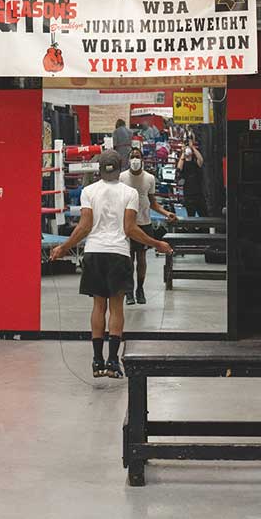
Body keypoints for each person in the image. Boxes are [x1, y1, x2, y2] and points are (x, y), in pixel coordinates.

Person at [50, 150, 172, 379]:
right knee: (116, 308)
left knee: (98, 306)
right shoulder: (130, 192)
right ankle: (113, 361)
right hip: (118, 253)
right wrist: (156, 243)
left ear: (99, 169)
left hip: (94, 253)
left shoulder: (88, 191)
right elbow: (130, 229)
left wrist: (64, 248)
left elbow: (84, 226)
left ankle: (97, 361)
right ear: (119, 168)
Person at [120, 148, 177, 305]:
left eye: (138, 157)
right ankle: (129, 291)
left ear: (142, 159)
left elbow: (153, 203)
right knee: (128, 259)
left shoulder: (150, 178)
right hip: (127, 223)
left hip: (145, 222)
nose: (135, 159)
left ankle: (140, 289)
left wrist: (166, 213)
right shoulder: (122, 177)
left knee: (142, 257)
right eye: (132, 157)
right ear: (128, 159)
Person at [177, 141, 207, 217]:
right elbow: (179, 169)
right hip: (188, 195)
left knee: (204, 215)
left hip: (199, 194)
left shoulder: (195, 163)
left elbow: (201, 160)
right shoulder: (182, 164)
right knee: (191, 215)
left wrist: (192, 147)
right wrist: (183, 153)